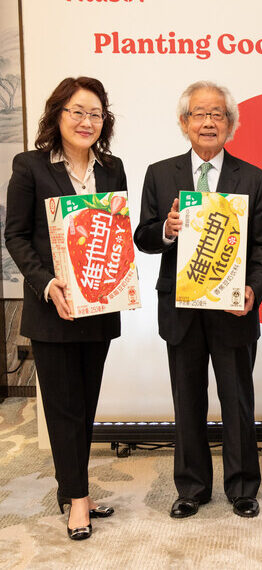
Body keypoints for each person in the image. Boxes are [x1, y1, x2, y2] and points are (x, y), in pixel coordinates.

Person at [134, 81, 262, 519]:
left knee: (238, 400)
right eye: (199, 114)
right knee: (188, 400)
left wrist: (253, 288)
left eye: (218, 114)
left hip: (233, 307)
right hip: (179, 309)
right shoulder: (160, 174)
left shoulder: (253, 178)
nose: (208, 122)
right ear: (184, 123)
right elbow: (142, 236)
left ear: (231, 124)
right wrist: (166, 228)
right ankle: (192, 488)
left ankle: (242, 488)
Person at [5, 77, 126, 540]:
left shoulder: (112, 168)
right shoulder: (31, 166)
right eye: (77, 111)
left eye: (95, 114)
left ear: (104, 122)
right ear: (58, 115)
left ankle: (73, 488)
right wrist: (46, 282)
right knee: (62, 408)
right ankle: (77, 501)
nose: (86, 121)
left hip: (98, 308)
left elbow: (117, 233)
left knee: (86, 405)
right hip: (53, 307)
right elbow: (15, 234)